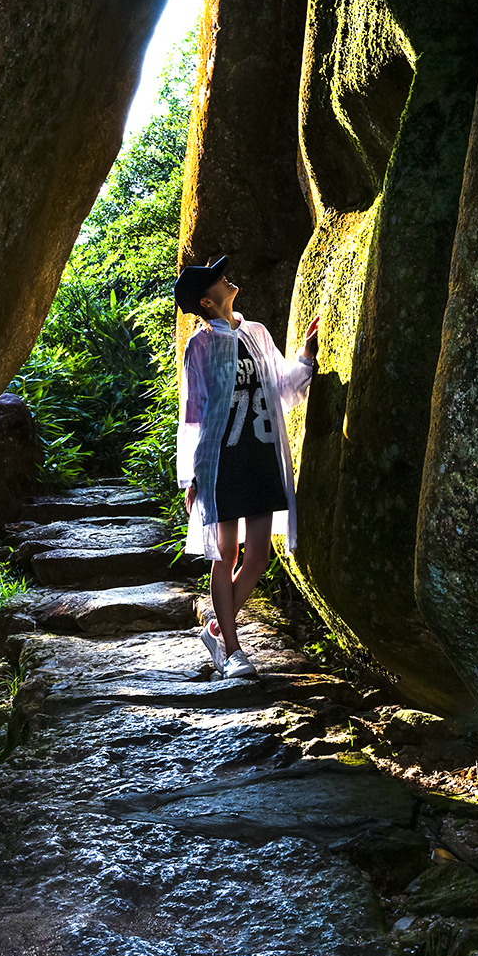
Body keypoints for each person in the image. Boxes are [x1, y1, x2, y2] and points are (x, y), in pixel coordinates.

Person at [174, 256, 319, 680]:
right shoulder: (198, 347)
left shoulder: (256, 333)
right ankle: (233, 652)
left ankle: (217, 629)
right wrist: (192, 477)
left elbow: (280, 387)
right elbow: (193, 414)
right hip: (221, 462)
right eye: (216, 279)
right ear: (206, 299)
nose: (225, 277)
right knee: (227, 553)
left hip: (262, 454)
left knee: (257, 556)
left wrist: (305, 357)